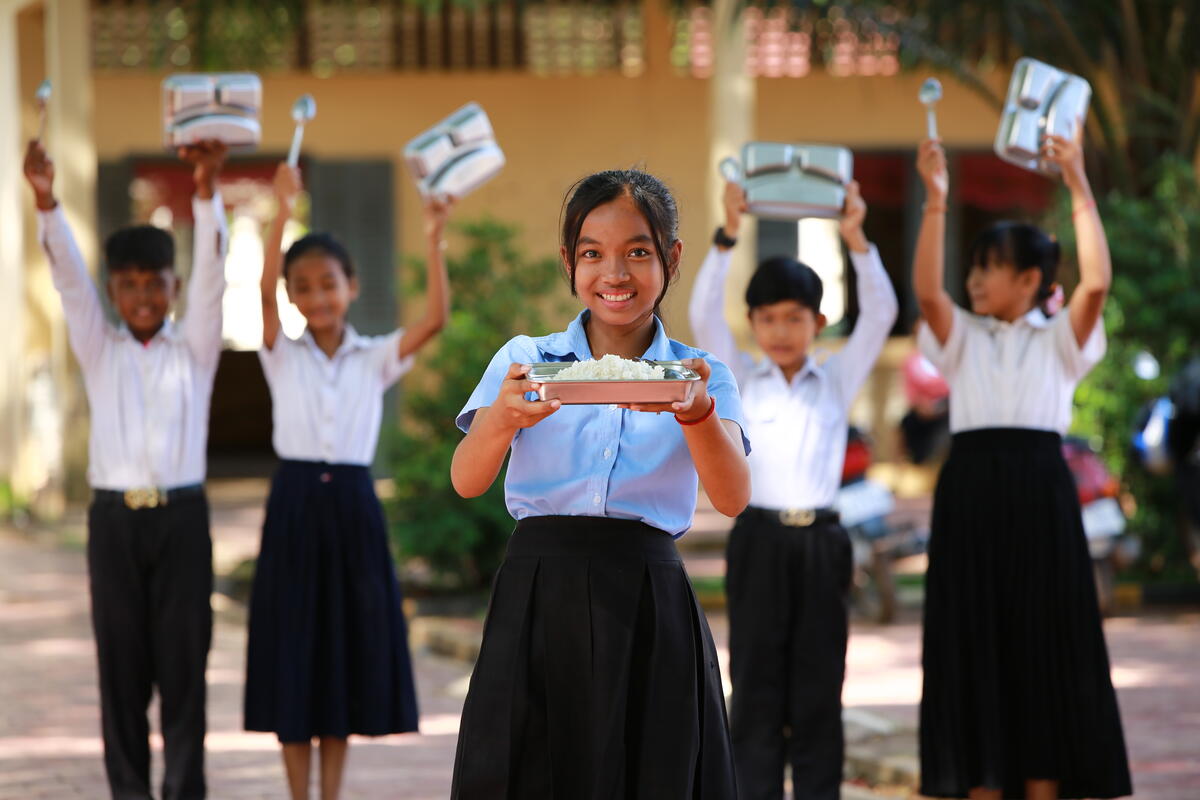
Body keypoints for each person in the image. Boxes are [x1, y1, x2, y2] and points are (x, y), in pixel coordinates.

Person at [448, 169, 751, 799]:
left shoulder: (701, 373)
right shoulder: (524, 362)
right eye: (592, 254)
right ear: (568, 261)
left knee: (649, 774)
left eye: (638, 252)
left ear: (671, 257)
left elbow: (732, 497)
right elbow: (467, 479)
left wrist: (695, 414)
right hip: (538, 593)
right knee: (528, 772)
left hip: (648, 599)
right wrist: (503, 416)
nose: (615, 273)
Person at [913, 131, 1132, 800]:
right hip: (971, 494)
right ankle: (979, 783)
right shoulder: (959, 336)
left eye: (990, 266)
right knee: (970, 636)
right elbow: (926, 292)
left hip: (1041, 492)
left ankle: (1042, 787)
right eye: (973, 266)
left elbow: (1097, 279)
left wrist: (1076, 180)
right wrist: (936, 201)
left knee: (1043, 639)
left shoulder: (1063, 341)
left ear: (1033, 279)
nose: (974, 279)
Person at [23, 137, 228, 799]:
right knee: (122, 673)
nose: (143, 296)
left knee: (184, 671)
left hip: (183, 521)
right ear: (113, 290)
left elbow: (212, 283)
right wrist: (47, 202)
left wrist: (204, 190)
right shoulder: (99, 346)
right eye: (129, 285)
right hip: (114, 524)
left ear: (172, 286)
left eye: (156, 284)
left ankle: (184, 790)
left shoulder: (195, 350)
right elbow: (67, 281)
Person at [242, 163, 453, 800]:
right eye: (301, 287)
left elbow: (437, 319)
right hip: (296, 506)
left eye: (328, 284)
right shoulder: (279, 353)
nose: (317, 298)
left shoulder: (375, 357)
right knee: (294, 649)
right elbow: (260, 289)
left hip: (355, 508)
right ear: (290, 297)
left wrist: (435, 234)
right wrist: (282, 210)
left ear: (351, 286)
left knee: (338, 654)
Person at [689, 179, 898, 799]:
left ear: (819, 322)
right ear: (751, 323)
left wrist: (857, 239)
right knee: (754, 688)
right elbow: (703, 312)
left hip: (822, 544)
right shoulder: (738, 378)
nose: (780, 331)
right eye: (768, 318)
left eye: (794, 318)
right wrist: (726, 235)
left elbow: (883, 312)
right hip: (757, 538)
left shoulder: (834, 381)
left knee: (817, 689)